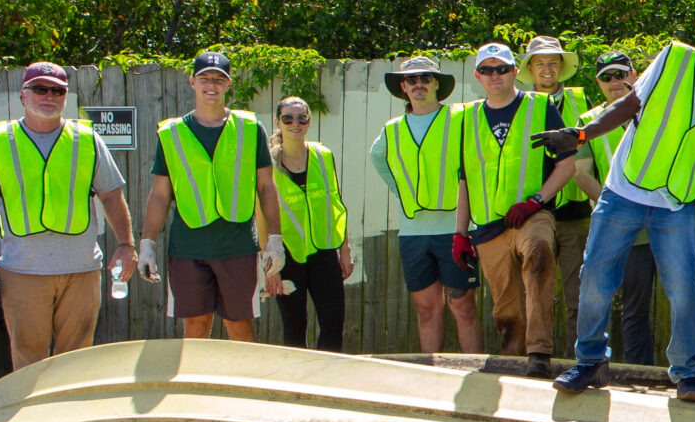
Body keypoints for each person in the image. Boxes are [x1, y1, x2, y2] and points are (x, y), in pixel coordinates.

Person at [546, 9, 695, 400]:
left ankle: (687, 374)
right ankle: (589, 363)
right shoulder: (673, 59)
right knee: (596, 279)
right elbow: (629, 106)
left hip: (675, 204)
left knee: (685, 290)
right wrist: (582, 134)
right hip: (624, 191)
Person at [0, 61, 136, 369]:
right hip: (21, 271)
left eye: (57, 91)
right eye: (39, 89)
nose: (48, 96)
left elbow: (111, 195)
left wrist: (126, 245)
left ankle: (67, 417)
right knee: (28, 360)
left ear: (66, 97)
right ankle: (30, 416)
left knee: (76, 360)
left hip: (81, 269)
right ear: (23, 95)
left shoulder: (87, 141)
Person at [139, 50, 287, 342]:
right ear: (192, 82)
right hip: (187, 249)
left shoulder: (248, 128)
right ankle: (197, 388)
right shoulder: (172, 133)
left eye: (219, 79)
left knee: (240, 328)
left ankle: (243, 388)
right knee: (195, 328)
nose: (212, 85)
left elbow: (267, 187)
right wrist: (146, 244)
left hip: (238, 247)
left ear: (228, 84)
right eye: (205, 78)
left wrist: (275, 240)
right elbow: (160, 193)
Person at [456, 42, 577, 366]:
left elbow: (567, 164)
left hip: (531, 215)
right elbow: (465, 178)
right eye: (487, 70)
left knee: (539, 258)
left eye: (501, 69)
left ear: (514, 72)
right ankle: (514, 361)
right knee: (505, 305)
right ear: (478, 76)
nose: (494, 75)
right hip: (489, 225)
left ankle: (539, 354)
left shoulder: (542, 107)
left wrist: (535, 201)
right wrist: (459, 233)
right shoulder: (466, 118)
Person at [370, 55, 481, 355]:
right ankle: (432, 379)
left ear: (437, 85)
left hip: (456, 230)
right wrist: (403, 192)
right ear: (403, 87)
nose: (419, 84)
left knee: (464, 307)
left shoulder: (461, 117)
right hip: (413, 234)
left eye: (426, 79)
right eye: (412, 80)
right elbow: (376, 158)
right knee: (426, 310)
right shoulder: (392, 129)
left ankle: (474, 377)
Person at [568, 51, 661, 367]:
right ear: (598, 83)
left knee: (688, 301)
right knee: (633, 308)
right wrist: (620, 211)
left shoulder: (658, 112)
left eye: (621, 74)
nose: (615, 82)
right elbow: (581, 173)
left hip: (666, 222)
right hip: (625, 231)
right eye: (606, 77)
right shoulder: (587, 121)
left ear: (634, 75)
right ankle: (639, 371)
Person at [522, 36, 593, 349]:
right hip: (533, 214)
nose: (547, 69)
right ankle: (540, 358)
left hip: (575, 215)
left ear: (562, 67)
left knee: (578, 294)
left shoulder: (582, 101)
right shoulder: (519, 106)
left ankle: (577, 360)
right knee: (537, 292)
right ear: (530, 69)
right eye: (540, 63)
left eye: (553, 62)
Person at [270, 95, 353, 353]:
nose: (296, 124)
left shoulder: (323, 155)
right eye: (288, 119)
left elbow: (336, 204)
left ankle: (328, 383)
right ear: (278, 122)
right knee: (294, 328)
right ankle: (297, 387)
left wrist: (346, 250)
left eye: (302, 118)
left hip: (324, 252)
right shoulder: (267, 164)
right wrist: (270, 268)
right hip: (287, 257)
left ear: (309, 121)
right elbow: (262, 216)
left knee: (332, 324)